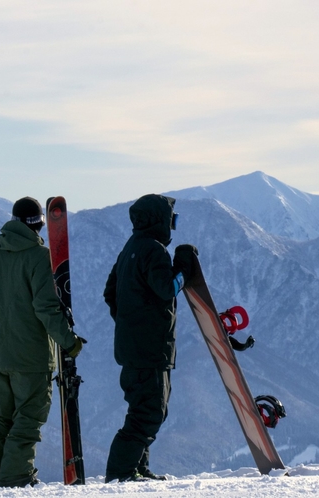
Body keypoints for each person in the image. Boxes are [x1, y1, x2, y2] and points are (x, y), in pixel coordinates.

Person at [0, 197, 85, 490]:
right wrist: (69, 342)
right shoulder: (39, 257)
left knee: (1, 416)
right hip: (31, 356)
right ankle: (14, 478)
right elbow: (46, 308)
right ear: (39, 224)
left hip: (0, 354)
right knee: (28, 417)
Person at [103, 194, 198, 483]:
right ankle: (121, 474)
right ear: (159, 221)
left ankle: (136, 467)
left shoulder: (130, 248)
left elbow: (110, 292)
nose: (173, 226)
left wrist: (131, 321)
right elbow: (167, 288)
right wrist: (184, 267)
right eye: (173, 221)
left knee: (145, 410)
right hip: (151, 350)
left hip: (133, 349)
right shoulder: (154, 251)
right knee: (149, 414)